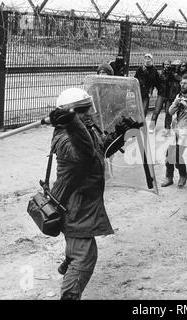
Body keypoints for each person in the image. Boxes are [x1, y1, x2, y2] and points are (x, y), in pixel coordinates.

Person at [48, 88, 139, 300]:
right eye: (82, 110)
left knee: (79, 248)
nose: (89, 113)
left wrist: (120, 136)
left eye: (89, 108)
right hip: (74, 206)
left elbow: (99, 149)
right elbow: (84, 153)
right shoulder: (64, 139)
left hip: (85, 202)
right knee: (85, 257)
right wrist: (71, 123)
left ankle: (70, 259)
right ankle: (70, 291)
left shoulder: (87, 129)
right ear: (68, 115)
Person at [149, 60, 173, 133]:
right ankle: (152, 127)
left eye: (168, 64)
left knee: (168, 112)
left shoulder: (173, 74)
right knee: (156, 111)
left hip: (169, 96)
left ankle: (167, 128)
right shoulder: (161, 74)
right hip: (161, 95)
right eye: (165, 64)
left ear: (170, 65)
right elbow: (156, 82)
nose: (166, 66)